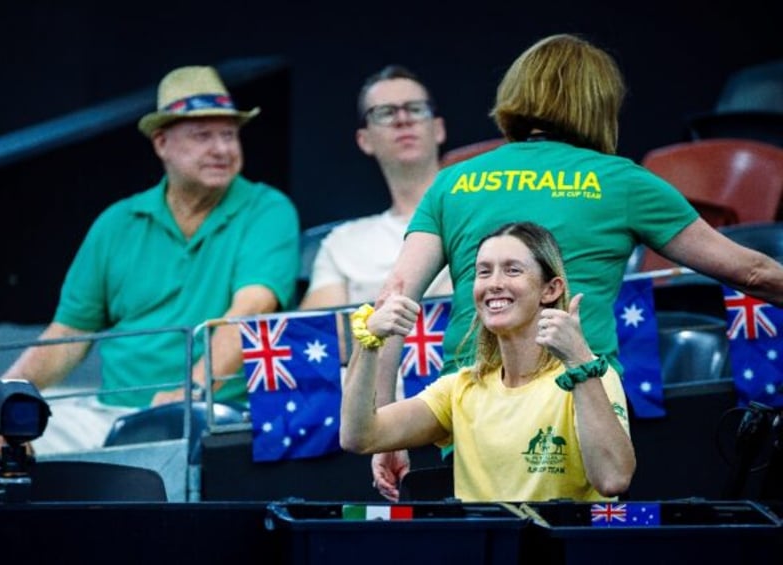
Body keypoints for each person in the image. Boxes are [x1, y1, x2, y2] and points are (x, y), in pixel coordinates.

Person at [368, 33, 783, 501]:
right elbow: (750, 273)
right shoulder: (621, 181)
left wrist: (388, 420)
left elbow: (394, 299)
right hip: (576, 397)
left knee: (492, 535)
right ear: (599, 104)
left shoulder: (453, 182)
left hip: (475, 400)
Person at [0, 65, 300, 467]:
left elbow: (250, 311)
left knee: (180, 439)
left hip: (218, 414)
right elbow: (70, 333)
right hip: (108, 415)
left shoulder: (266, 209)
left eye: (229, 134)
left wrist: (191, 389)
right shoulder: (118, 221)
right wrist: (1, 392)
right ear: (162, 143)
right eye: (203, 136)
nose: (222, 149)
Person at [341, 221, 635, 501]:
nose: (494, 283)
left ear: (551, 289)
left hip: (565, 551)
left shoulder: (590, 374)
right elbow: (360, 436)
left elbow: (613, 480)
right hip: (486, 552)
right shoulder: (461, 387)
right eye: (483, 272)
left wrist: (580, 363)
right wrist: (368, 340)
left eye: (512, 270)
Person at [299, 64, 452, 310]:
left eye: (415, 109)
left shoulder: (484, 213)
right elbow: (316, 332)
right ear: (365, 140)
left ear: (438, 129)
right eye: (385, 113)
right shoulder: (342, 243)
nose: (403, 120)